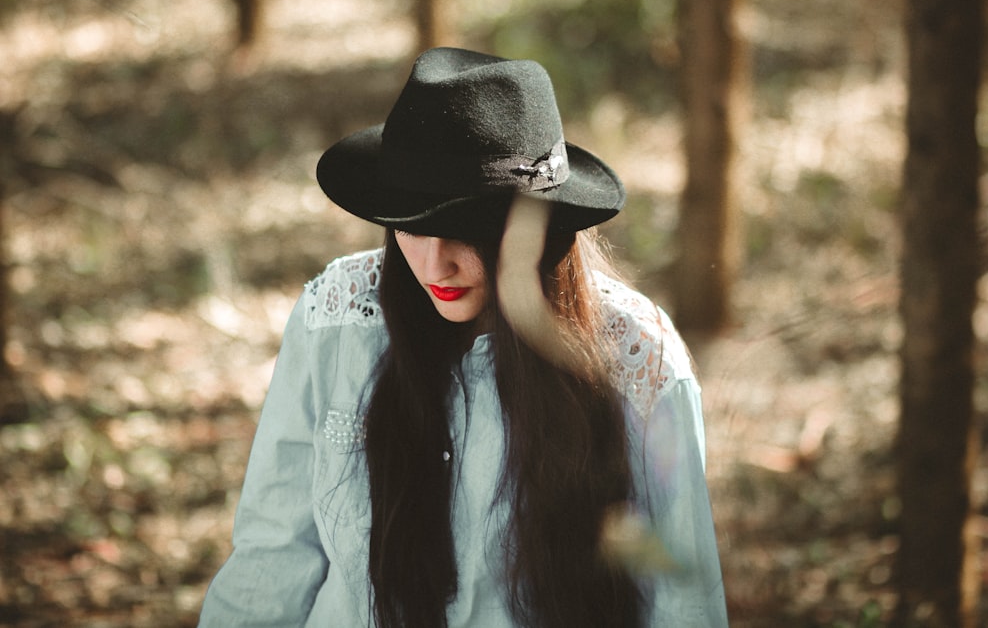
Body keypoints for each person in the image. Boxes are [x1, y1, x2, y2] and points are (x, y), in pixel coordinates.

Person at [199, 47, 728, 627]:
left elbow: (682, 603)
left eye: (464, 232)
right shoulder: (335, 322)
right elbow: (271, 559)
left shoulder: (636, 361)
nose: (433, 265)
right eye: (411, 227)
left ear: (540, 229)